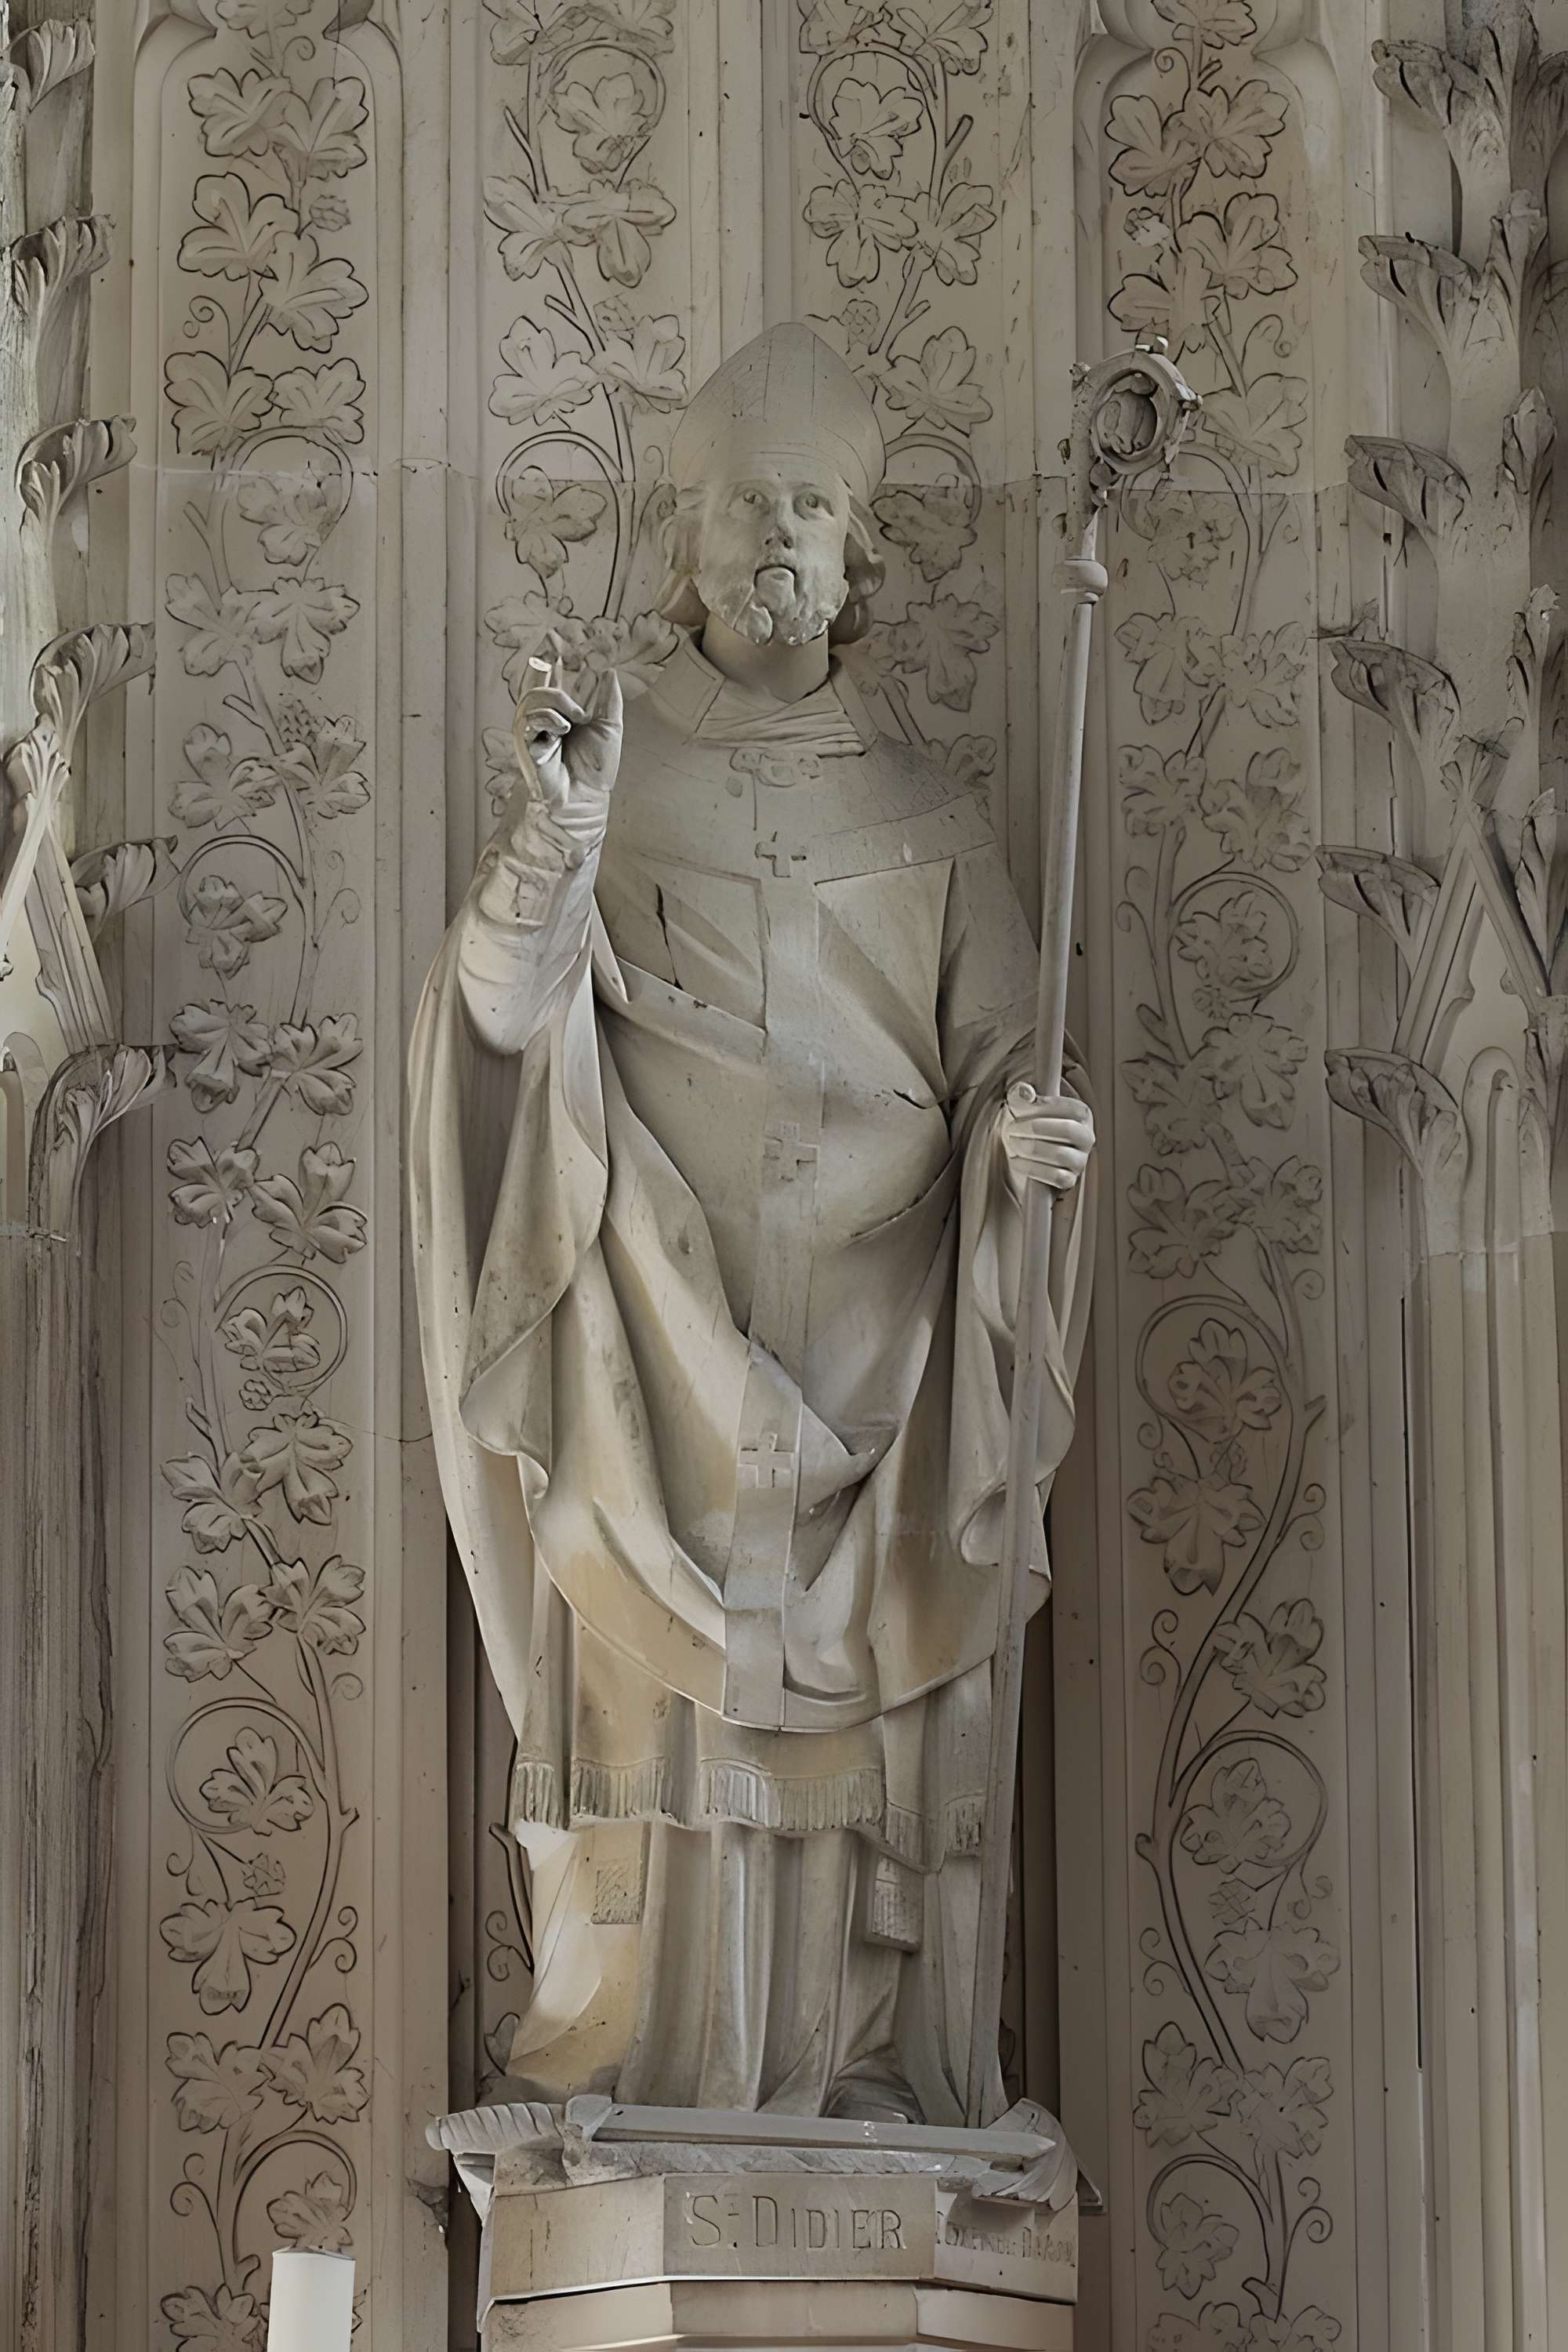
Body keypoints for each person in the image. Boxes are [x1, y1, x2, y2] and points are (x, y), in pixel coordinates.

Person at [410, 322, 1094, 2123]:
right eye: (742, 505)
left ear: (853, 547)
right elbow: (496, 1018)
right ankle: (645, 2073)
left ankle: (864, 2080)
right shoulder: (609, 780)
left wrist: (1031, 1141)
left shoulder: (934, 814)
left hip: (883, 1358)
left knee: (862, 1743)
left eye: (808, 504)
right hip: (653, 1337)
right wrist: (550, 844)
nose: (775, 535)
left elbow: (1007, 1049)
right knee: (657, 1743)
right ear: (686, 541)